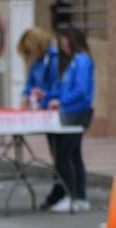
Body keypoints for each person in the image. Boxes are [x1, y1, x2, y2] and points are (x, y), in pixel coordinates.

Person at [46, 27, 94, 213]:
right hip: (73, 109)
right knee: (74, 155)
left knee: (64, 155)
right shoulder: (74, 62)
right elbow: (64, 89)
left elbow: (80, 90)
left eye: (65, 41)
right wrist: (50, 96)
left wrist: (61, 101)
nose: (63, 45)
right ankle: (79, 196)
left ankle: (72, 195)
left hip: (77, 111)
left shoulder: (81, 61)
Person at [17, 27, 65, 210]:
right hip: (45, 110)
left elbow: (58, 87)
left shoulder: (53, 60)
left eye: (29, 51)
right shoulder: (35, 63)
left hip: (55, 110)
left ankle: (62, 190)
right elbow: (30, 83)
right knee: (55, 153)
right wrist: (26, 95)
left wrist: (44, 95)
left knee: (62, 154)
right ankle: (59, 190)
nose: (29, 55)